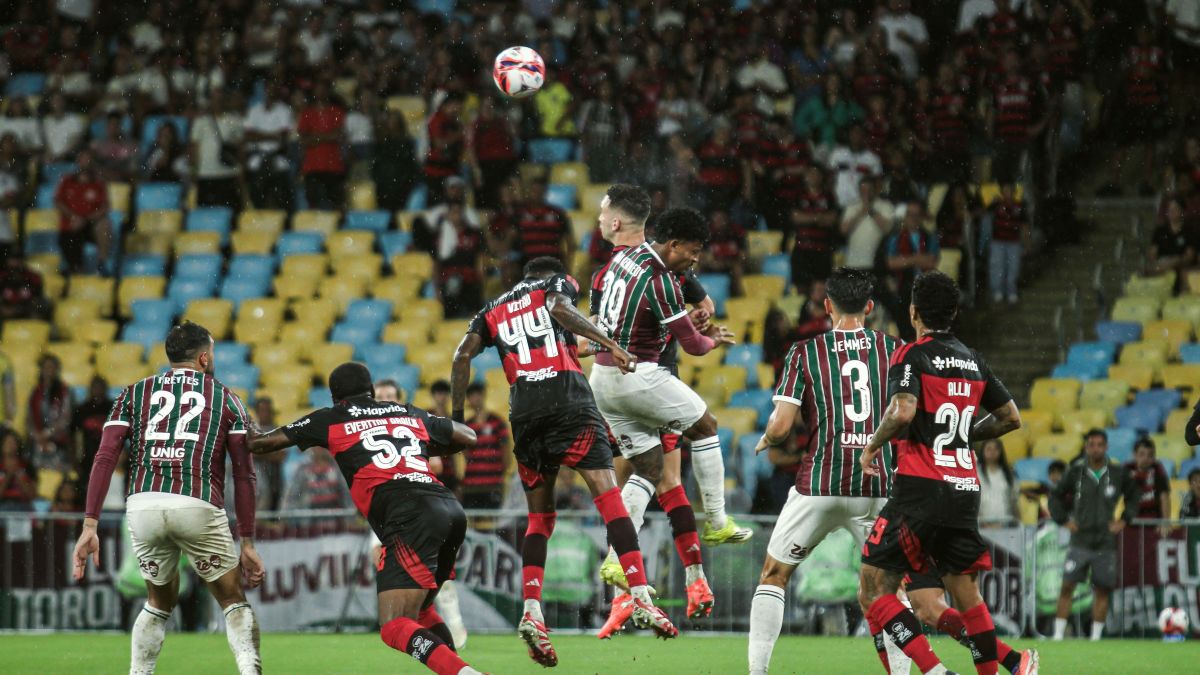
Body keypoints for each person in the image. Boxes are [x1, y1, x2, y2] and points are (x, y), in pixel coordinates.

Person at [452, 256, 677, 665]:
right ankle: (641, 595)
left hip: (523, 411)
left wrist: (454, 421)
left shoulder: (493, 308)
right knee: (610, 500)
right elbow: (559, 308)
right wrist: (613, 345)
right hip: (568, 401)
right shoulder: (556, 285)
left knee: (540, 520)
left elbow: (460, 358)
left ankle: (532, 610)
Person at [248, 362, 486, 675]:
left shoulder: (330, 418)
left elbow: (261, 443)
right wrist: (428, 446)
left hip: (408, 516)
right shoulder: (405, 411)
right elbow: (468, 436)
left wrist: (237, 423)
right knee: (423, 610)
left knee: (392, 625)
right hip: (450, 510)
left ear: (335, 398)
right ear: (371, 390)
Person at [859, 271, 1031, 675]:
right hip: (964, 487)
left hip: (921, 487)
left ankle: (936, 672)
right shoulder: (973, 360)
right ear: (954, 312)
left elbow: (902, 411)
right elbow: (1010, 418)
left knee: (874, 587)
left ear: (913, 310)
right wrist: (964, 436)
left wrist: (872, 446)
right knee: (966, 597)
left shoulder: (911, 354)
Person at [590, 202, 751, 631]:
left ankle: (617, 560)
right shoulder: (661, 280)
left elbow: (608, 306)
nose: (696, 259)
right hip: (639, 374)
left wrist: (689, 317)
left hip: (603, 378)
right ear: (674, 243)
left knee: (648, 470)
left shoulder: (624, 258)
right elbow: (695, 348)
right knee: (707, 427)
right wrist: (710, 338)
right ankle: (716, 521)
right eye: (692, 251)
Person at [72, 322, 263, 675]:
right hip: (196, 502)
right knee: (232, 600)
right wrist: (248, 542)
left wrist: (90, 523)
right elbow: (244, 474)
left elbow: (105, 456)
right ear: (204, 357)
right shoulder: (227, 398)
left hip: (143, 504)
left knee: (158, 603)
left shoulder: (134, 393)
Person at [747, 268, 900, 675]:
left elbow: (781, 428)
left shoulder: (805, 351)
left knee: (774, 574)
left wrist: (767, 439)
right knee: (887, 591)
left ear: (827, 305)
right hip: (877, 485)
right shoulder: (894, 350)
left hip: (820, 483)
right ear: (870, 307)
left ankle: (757, 673)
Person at [1049, 429, 1140, 641]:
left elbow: (1134, 495)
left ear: (1106, 447)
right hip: (1080, 539)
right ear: (1086, 447)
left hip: (1105, 542)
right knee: (1067, 585)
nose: (1096, 448)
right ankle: (1057, 635)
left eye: (1100, 444)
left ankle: (1095, 638)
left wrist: (1125, 519)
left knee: (1102, 589)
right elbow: (1054, 496)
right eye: (1092, 444)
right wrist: (1063, 520)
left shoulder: (1118, 473)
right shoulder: (1075, 472)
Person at [54, 149, 112, 274]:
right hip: (71, 224)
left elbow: (105, 207)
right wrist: (73, 216)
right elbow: (58, 202)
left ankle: (102, 264)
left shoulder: (98, 184)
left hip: (90, 225)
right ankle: (74, 269)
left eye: (89, 160)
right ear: (78, 162)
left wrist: (86, 219)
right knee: (70, 235)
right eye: (83, 159)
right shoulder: (67, 181)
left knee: (105, 224)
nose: (86, 163)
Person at [242, 84, 295, 211]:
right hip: (257, 157)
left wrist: (259, 135)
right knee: (257, 196)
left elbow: (283, 135)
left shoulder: (284, 110)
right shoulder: (254, 110)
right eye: (268, 89)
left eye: (273, 89)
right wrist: (273, 135)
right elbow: (248, 135)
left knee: (282, 198)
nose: (270, 92)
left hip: (278, 157)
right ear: (264, 91)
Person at [297, 81, 347, 210]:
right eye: (318, 89)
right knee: (312, 202)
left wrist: (315, 137)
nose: (321, 92)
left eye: (323, 89)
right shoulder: (307, 113)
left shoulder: (337, 111)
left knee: (337, 203)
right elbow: (303, 141)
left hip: (333, 164)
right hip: (312, 165)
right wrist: (327, 136)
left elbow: (338, 136)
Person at [461, 383, 511, 510]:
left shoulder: (497, 421)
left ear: (483, 396)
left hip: (493, 482)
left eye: (478, 394)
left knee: (493, 523)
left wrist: (499, 473)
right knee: (472, 523)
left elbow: (506, 450)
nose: (476, 398)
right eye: (472, 396)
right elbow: (465, 452)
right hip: (471, 483)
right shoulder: (467, 425)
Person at [26, 353, 72, 470]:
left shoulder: (64, 391)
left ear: (57, 369)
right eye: (45, 367)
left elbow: (66, 418)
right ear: (41, 369)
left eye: (51, 367)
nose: (48, 370)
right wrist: (36, 435)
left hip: (58, 441)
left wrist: (47, 433)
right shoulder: (35, 392)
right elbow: (29, 418)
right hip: (38, 442)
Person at [989, 183, 1029, 305]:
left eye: (1010, 191)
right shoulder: (997, 204)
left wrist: (1027, 243)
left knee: (1013, 268)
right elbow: (985, 214)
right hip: (998, 241)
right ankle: (998, 291)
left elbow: (1024, 226)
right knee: (997, 267)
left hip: (1013, 242)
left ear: (1014, 192)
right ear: (1002, 192)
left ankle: (1012, 291)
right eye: (1006, 191)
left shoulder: (1019, 206)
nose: (1008, 194)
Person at [71, 375, 112, 492]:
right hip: (87, 456)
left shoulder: (114, 408)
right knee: (86, 489)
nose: (97, 390)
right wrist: (74, 460)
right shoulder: (82, 409)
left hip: (109, 455)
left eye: (100, 387)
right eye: (95, 387)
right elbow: (72, 436)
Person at [1125, 437, 1170, 522]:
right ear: (1134, 455)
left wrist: (1165, 522)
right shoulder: (1127, 469)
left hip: (1154, 521)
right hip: (1131, 521)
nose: (1146, 458)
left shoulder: (1157, 469)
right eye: (1142, 454)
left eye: (1150, 455)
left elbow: (1164, 497)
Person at [977, 439, 1019, 527]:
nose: (992, 452)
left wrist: (1017, 522)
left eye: (996, 449)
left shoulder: (1009, 474)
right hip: (982, 523)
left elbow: (1014, 500)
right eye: (989, 449)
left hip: (1005, 522)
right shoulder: (976, 473)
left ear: (1001, 451)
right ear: (983, 451)